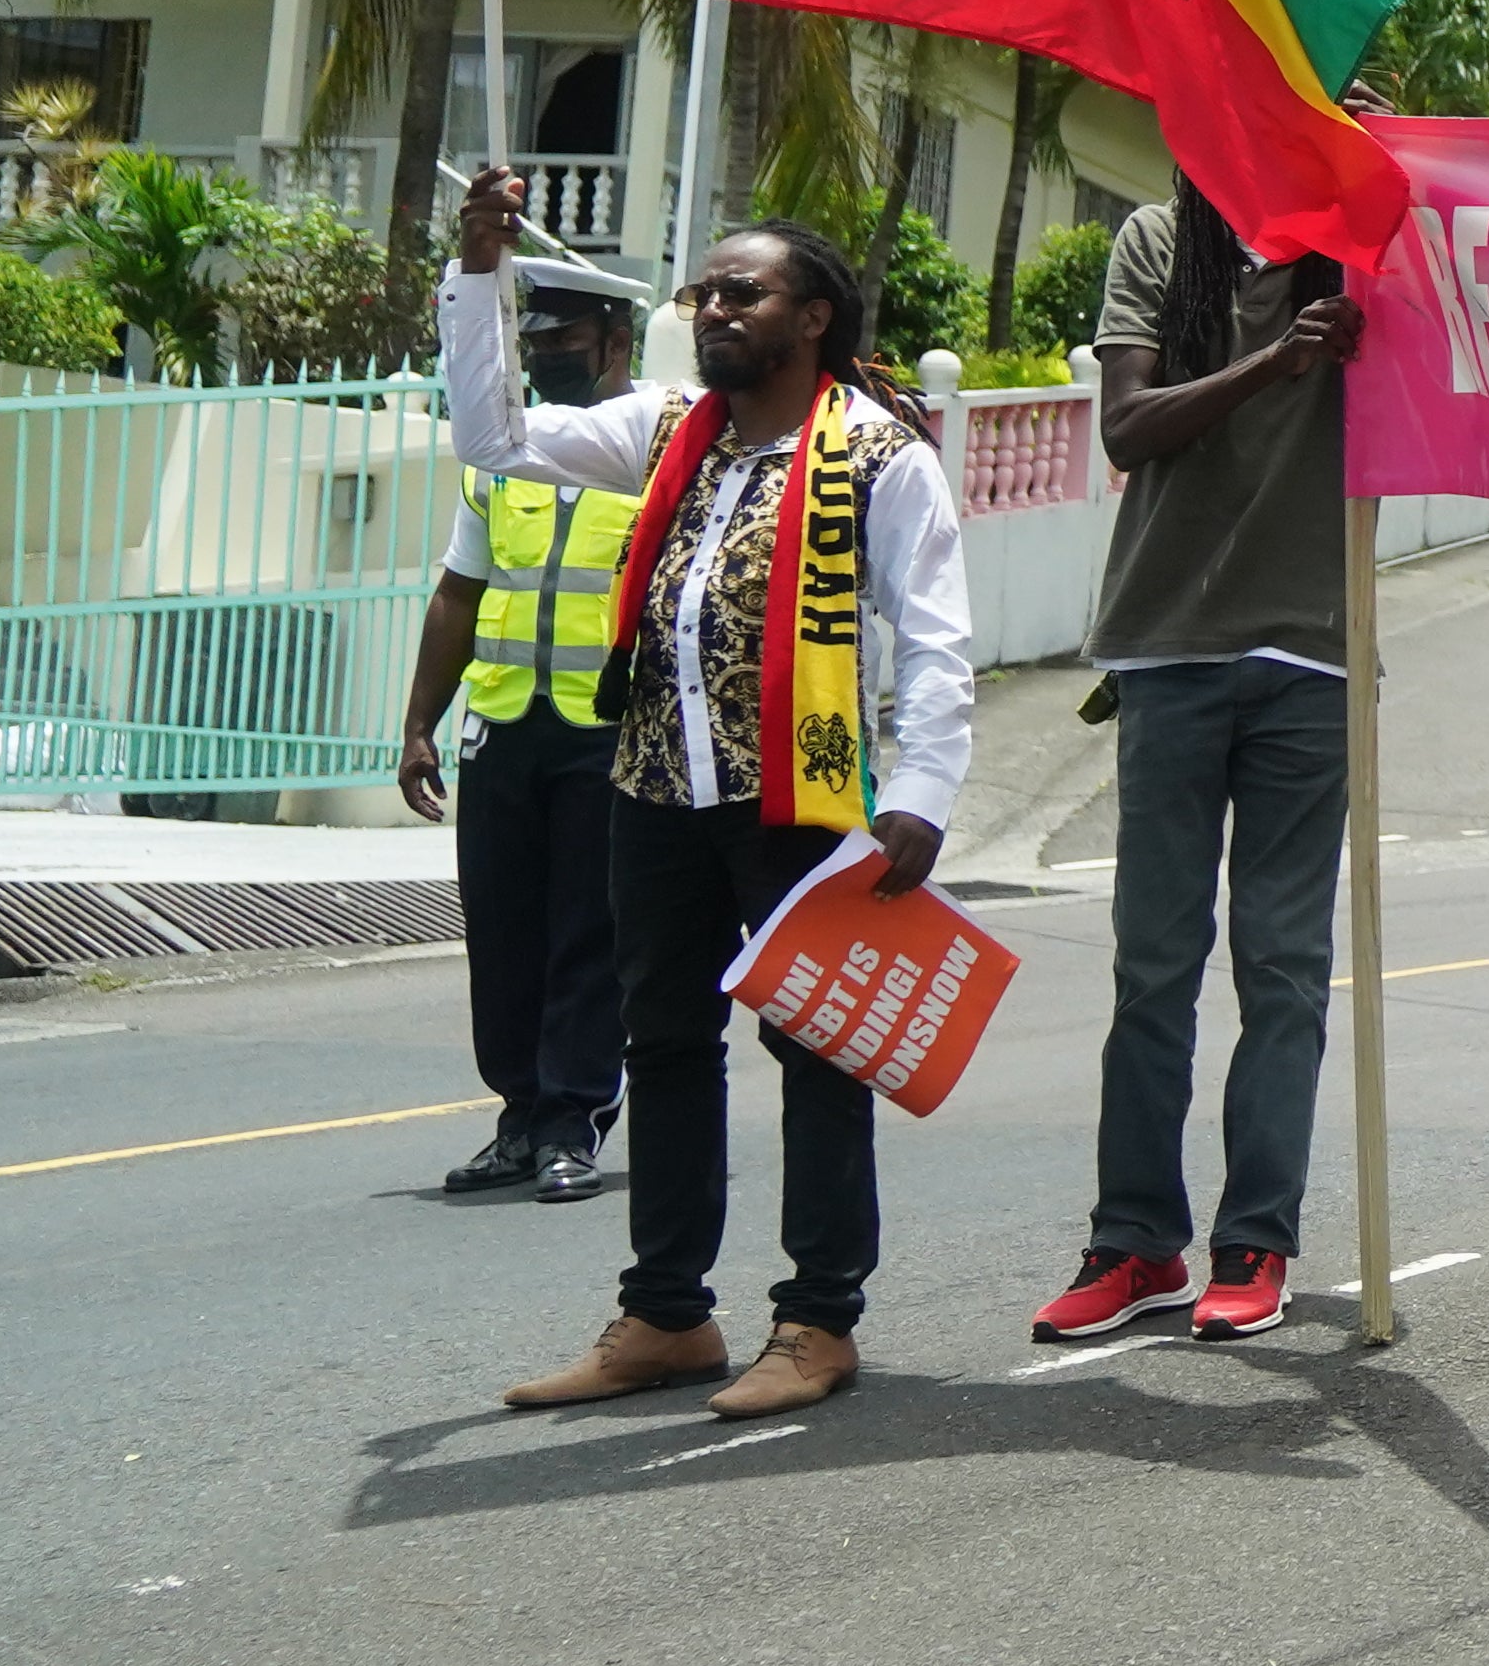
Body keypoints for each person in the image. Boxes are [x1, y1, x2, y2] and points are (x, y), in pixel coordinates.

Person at [443, 167, 971, 1423]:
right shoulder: (665, 429)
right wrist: (479, 272)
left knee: (819, 1050)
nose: (716, 307)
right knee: (665, 1043)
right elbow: (494, 439)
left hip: (803, 794)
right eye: (706, 291)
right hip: (654, 787)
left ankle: (818, 1318)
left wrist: (925, 791)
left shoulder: (880, 454)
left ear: (813, 319)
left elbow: (938, 640)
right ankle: (669, 1313)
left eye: (747, 291)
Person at [1031, 183, 1367, 1349]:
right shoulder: (1158, 240)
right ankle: (1134, 1241)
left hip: (1314, 650)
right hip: (1167, 642)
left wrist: (1379, 176)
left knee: (1284, 966)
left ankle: (1255, 1239)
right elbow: (1128, 425)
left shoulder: (1362, 240)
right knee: (1154, 963)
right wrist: (1278, 359)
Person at [397, 248, 650, 1202]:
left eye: (562, 341)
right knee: (502, 936)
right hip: (503, 726)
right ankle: (518, 1116)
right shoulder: (501, 458)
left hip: (607, 728)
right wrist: (423, 721)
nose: (542, 358)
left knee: (588, 934)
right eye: (531, 342)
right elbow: (458, 594)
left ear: (617, 342)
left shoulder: (650, 446)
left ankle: (572, 1122)